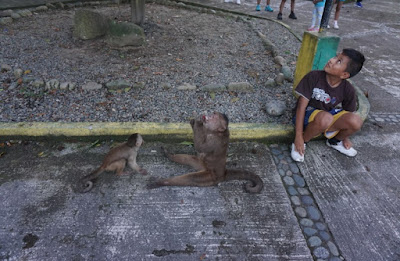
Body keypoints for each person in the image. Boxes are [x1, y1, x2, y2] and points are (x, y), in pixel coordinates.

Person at [291, 48, 365, 162]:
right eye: (335, 57)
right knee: (325, 118)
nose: (331, 60)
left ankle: (335, 141)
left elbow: (349, 113)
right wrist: (298, 136)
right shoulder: (314, 76)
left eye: (338, 61)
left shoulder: (348, 89)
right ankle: (302, 143)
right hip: (307, 115)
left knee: (356, 121)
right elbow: (301, 107)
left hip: (326, 116)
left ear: (344, 74)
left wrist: (345, 137)